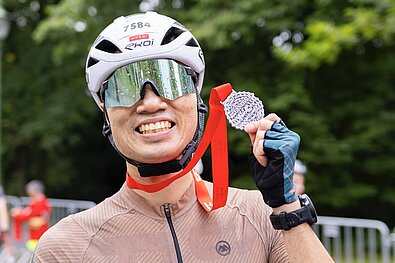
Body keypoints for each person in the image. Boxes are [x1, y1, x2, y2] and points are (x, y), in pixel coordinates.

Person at [32, 12, 333, 262]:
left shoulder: (260, 215)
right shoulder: (67, 247)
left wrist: (287, 208)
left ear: (197, 100)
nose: (150, 103)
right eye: (125, 86)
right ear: (106, 110)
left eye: (170, 81)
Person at [11, 180, 51, 252]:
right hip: (39, 231)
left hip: (37, 233)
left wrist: (17, 213)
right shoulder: (42, 200)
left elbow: (29, 214)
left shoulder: (38, 201)